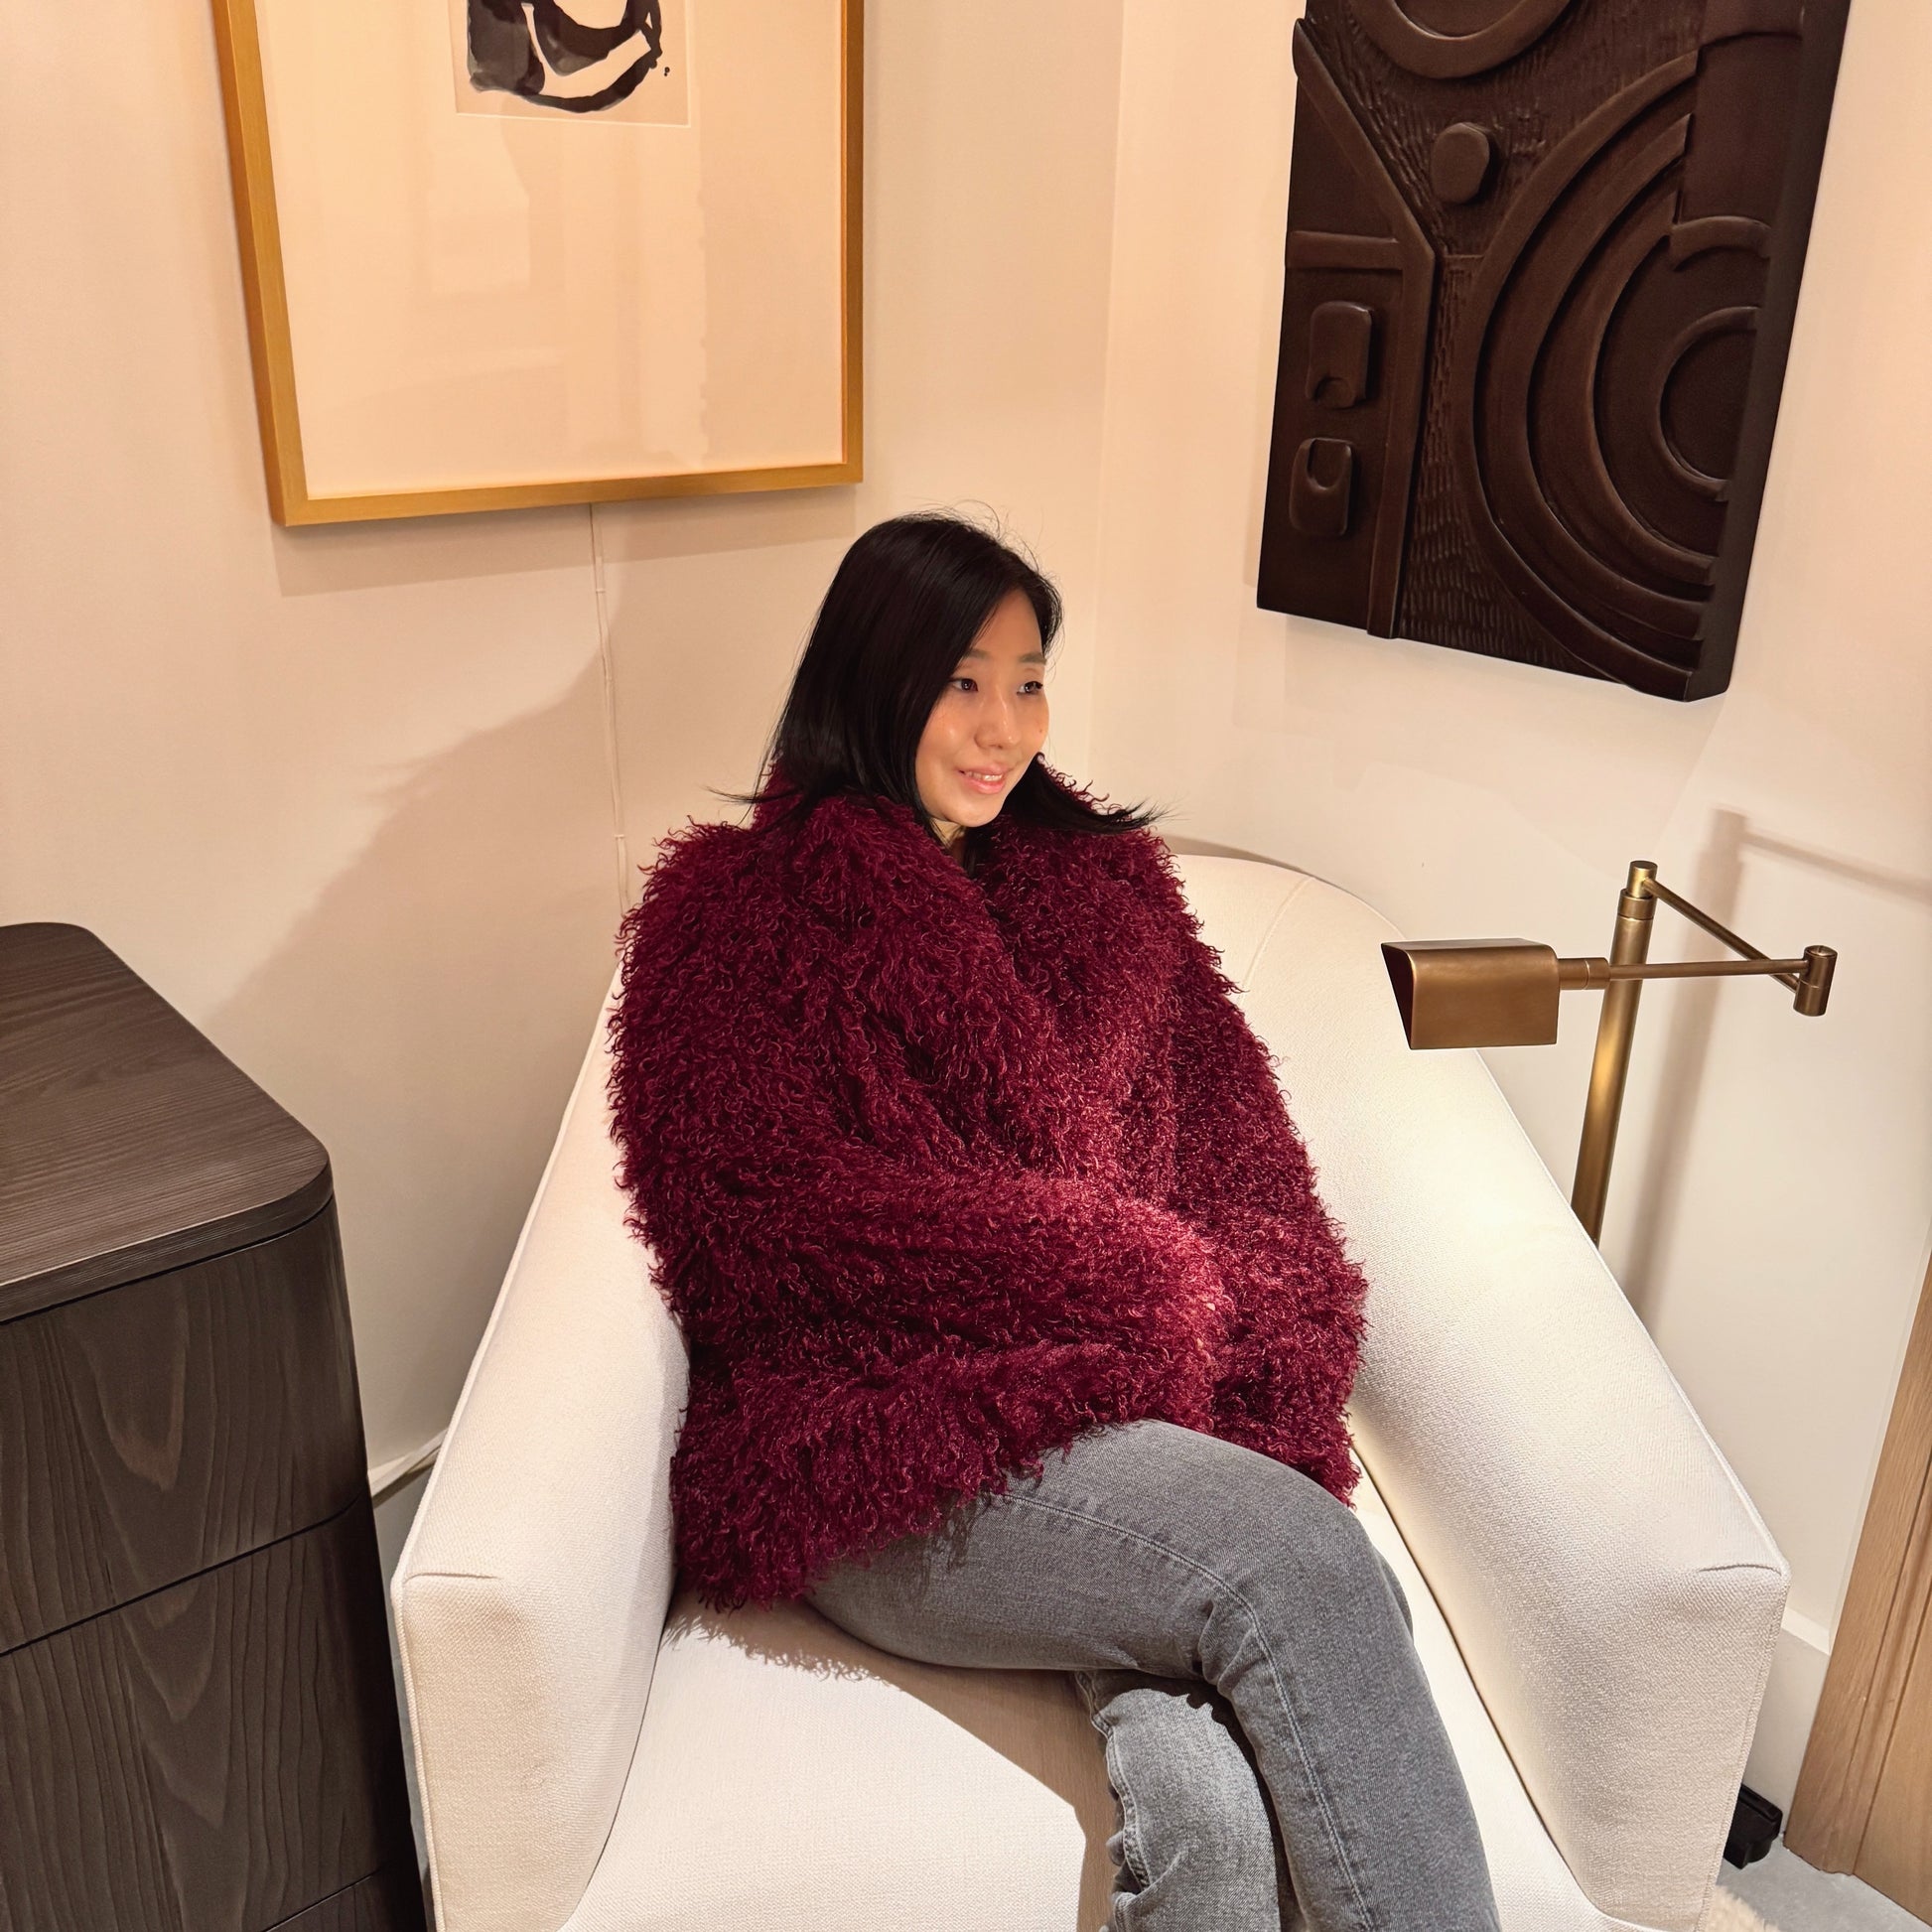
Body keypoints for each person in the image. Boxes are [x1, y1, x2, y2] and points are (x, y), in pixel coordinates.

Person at [605, 510, 1501, 1932]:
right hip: (885, 1443)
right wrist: (1116, 1280)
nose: (1003, 727)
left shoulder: (1113, 896)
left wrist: (1251, 1369)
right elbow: (757, 1224)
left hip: (1137, 1415)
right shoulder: (730, 913)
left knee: (1214, 1813)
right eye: (962, 681)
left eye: (1029, 682)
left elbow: (1244, 1163)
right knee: (1310, 1569)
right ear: (874, 676)